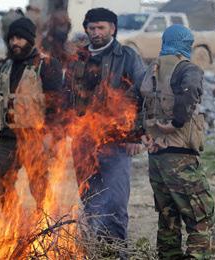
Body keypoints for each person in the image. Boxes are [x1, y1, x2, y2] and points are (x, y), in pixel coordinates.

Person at [66, 8, 145, 241]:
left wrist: (135, 135)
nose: (96, 32)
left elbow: (142, 93)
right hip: (83, 141)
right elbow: (64, 96)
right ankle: (96, 248)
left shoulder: (127, 56)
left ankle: (117, 251)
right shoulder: (78, 58)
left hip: (116, 140)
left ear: (112, 28)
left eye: (101, 27)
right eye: (91, 28)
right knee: (90, 200)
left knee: (116, 201)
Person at [139, 24, 215, 259]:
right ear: (186, 44)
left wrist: (140, 133)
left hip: (156, 157)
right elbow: (192, 88)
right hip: (180, 155)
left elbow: (135, 100)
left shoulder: (150, 69)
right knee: (201, 216)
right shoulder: (187, 68)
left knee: (168, 217)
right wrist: (177, 122)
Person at [0, 17, 63, 208]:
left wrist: (51, 136)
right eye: (11, 38)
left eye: (20, 38)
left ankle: (42, 226)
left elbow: (56, 107)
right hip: (7, 136)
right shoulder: (6, 66)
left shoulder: (47, 65)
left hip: (35, 138)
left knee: (39, 187)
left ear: (30, 39)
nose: (15, 43)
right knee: (0, 183)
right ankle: (13, 224)